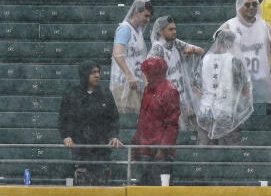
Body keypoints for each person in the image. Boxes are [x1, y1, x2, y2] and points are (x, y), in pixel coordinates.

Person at [58, 62, 123, 185]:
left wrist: (114, 136)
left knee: (102, 185)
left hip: (101, 148)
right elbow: (63, 119)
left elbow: (113, 118)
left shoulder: (105, 93)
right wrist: (66, 136)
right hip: (80, 148)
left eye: (98, 72)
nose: (97, 75)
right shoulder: (72, 94)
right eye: (93, 73)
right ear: (85, 74)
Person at [216, 0, 271, 112]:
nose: (251, 7)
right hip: (237, 85)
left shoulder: (266, 27)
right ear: (239, 6)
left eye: (254, 4)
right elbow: (218, 51)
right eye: (247, 5)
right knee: (239, 125)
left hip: (261, 84)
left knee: (260, 124)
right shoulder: (229, 25)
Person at [193, 29, 253, 145]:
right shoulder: (235, 62)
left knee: (205, 152)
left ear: (216, 42)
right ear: (233, 43)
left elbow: (196, 88)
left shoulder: (204, 60)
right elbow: (246, 91)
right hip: (226, 113)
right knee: (226, 154)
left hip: (205, 112)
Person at [147, 16, 204, 133]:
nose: (174, 32)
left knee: (190, 133)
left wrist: (191, 49)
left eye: (175, 29)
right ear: (161, 31)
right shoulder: (158, 49)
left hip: (183, 98)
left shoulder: (175, 43)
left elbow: (200, 51)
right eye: (170, 29)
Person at [132, 57, 179, 185]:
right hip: (144, 148)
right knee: (142, 188)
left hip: (158, 153)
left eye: (147, 73)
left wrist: (162, 149)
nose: (145, 76)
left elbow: (171, 125)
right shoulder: (149, 89)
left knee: (159, 189)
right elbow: (143, 118)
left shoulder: (170, 91)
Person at [110, 0, 153, 114]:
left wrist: (145, 82)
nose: (148, 20)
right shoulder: (125, 29)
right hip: (123, 83)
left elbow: (141, 60)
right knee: (127, 119)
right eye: (146, 16)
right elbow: (117, 54)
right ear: (136, 12)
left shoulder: (138, 31)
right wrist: (128, 75)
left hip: (136, 83)